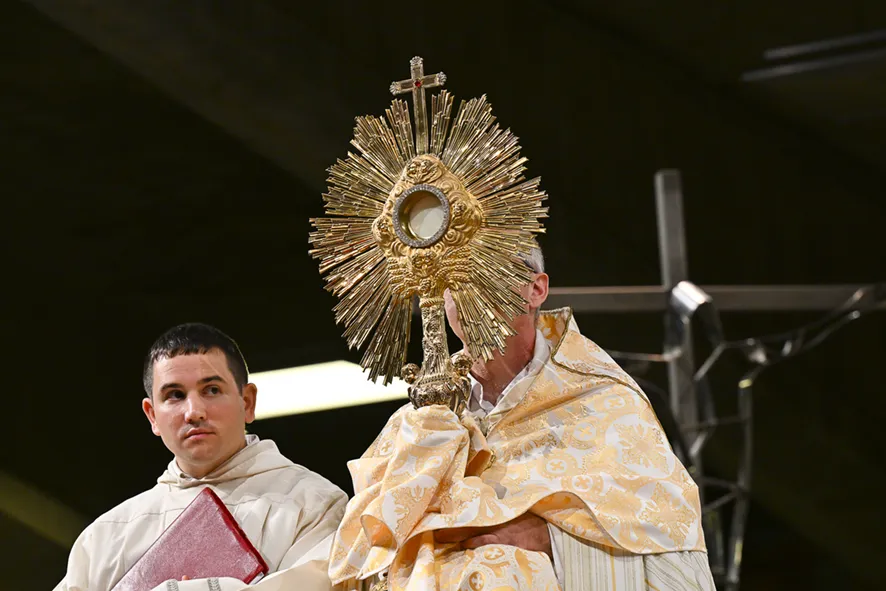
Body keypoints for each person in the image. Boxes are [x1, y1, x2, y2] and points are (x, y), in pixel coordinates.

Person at [330, 247, 716, 591]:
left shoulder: (605, 400)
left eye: (488, 271)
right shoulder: (418, 424)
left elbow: (672, 536)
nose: (470, 291)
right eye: (454, 279)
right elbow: (360, 555)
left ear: (537, 289)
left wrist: (557, 539)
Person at [55, 323, 348, 591]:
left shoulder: (314, 505)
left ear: (247, 402)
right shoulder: (105, 538)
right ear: (152, 416)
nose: (194, 411)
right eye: (175, 395)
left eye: (211, 389)